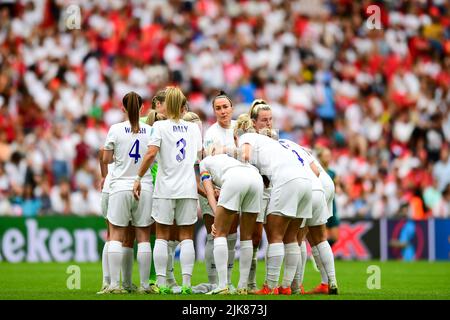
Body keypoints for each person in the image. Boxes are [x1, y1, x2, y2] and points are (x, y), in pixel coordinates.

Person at [229, 114, 312, 295]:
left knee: (275, 236)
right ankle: (287, 286)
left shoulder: (246, 137)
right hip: (307, 182)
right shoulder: (274, 142)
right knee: (292, 237)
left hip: (286, 181)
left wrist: (224, 151)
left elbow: (245, 155)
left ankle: (271, 287)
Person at [133, 87, 202, 295]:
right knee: (187, 236)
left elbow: (151, 154)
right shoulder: (193, 129)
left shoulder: (160, 126)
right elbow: (199, 157)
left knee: (162, 236)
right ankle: (187, 284)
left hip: (165, 187)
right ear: (182, 106)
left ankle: (162, 283)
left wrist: (138, 177)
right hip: (188, 187)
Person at [101, 91, 154, 294]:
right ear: (142, 108)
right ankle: (144, 285)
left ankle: (114, 285)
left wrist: (118, 158)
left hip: (121, 186)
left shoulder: (115, 129)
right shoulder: (150, 130)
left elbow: (106, 159)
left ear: (122, 108)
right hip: (144, 186)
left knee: (115, 235)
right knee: (143, 237)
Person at [276, 140, 338, 295]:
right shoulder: (293, 144)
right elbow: (315, 168)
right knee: (318, 238)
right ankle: (329, 282)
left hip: (311, 185)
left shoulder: (275, 149)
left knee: (296, 237)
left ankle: (294, 286)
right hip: (326, 183)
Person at [200, 152, 263, 295]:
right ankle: (242, 287)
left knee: (219, 233)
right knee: (247, 236)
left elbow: (209, 193)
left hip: (235, 178)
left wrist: (217, 217)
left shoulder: (204, 162)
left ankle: (222, 285)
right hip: (255, 177)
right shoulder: (229, 159)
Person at [197, 91, 240, 292]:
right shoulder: (211, 133)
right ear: (214, 111)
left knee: (231, 235)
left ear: (232, 108)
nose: (223, 111)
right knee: (213, 234)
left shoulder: (239, 129)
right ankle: (214, 281)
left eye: (225, 107)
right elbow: (209, 162)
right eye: (218, 108)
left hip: (235, 187)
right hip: (213, 188)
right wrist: (213, 190)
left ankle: (227, 280)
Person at [246, 99, 274, 293]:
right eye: (264, 120)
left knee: (275, 237)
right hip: (257, 191)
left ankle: (270, 284)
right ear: (254, 122)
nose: (268, 123)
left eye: (270, 119)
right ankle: (250, 282)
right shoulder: (248, 138)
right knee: (254, 238)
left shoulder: (275, 139)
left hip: (272, 191)